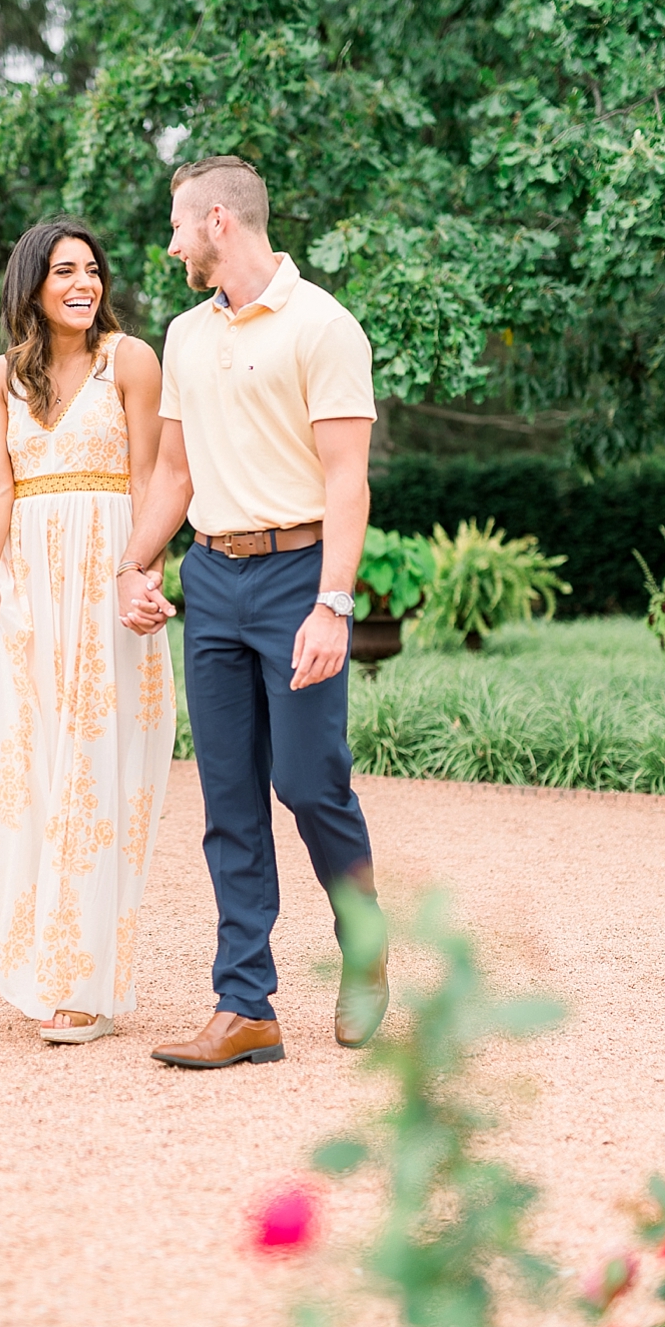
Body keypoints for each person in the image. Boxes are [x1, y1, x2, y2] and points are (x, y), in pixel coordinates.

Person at [116, 156, 388, 1069]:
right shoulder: (187, 335)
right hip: (215, 582)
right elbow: (176, 475)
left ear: (220, 222)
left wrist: (333, 605)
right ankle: (247, 1006)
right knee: (229, 799)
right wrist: (134, 563)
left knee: (311, 782)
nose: (172, 242)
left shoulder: (325, 326)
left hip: (299, 574)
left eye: (178, 225)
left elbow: (349, 481)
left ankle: (364, 946)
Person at [0, 218, 176, 1045]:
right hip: (30, 592)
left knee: (94, 776)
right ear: (33, 284)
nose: (84, 284)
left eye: (92, 271)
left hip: (107, 584)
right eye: (64, 272)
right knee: (30, 767)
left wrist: (141, 572)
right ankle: (39, 951)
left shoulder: (131, 361)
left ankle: (83, 984)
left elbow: (150, 476)